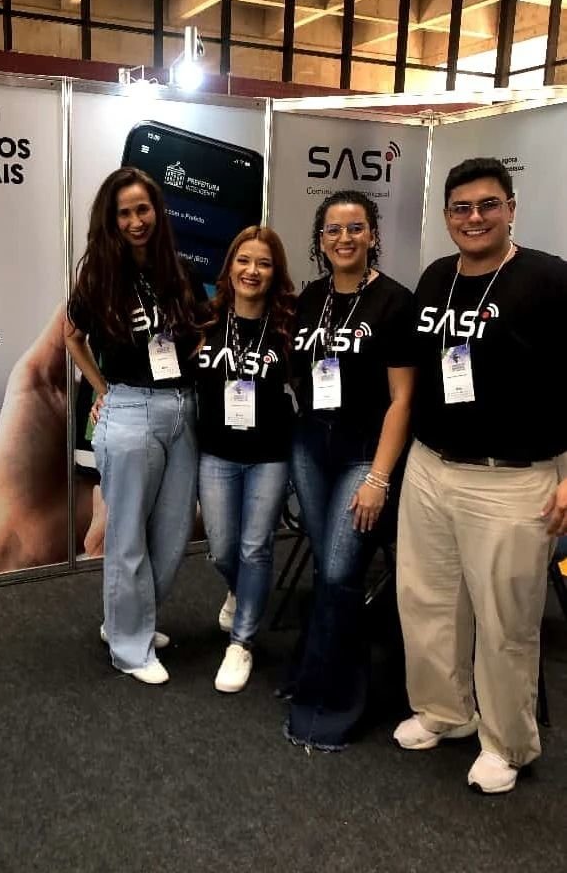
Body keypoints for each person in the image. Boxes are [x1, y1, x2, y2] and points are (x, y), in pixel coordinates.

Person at [393, 157, 567, 794]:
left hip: (512, 479)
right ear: (446, 216)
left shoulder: (549, 279)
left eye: (488, 205)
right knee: (426, 601)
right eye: (461, 208)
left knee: (506, 622)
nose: (475, 218)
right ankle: (445, 711)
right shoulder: (436, 277)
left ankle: (507, 743)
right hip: (431, 466)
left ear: (511, 208)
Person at [285, 189, 415, 751]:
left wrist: (379, 478)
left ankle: (332, 704)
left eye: (355, 228)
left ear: (372, 235)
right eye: (334, 230)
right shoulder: (311, 298)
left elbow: (403, 399)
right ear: (321, 240)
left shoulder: (394, 301)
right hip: (312, 447)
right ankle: (309, 672)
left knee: (340, 574)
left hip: (365, 452)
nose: (344, 238)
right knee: (327, 570)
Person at [64, 166, 205, 685]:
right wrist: (103, 390)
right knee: (126, 536)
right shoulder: (100, 276)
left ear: (157, 212)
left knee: (172, 533)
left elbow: (197, 330)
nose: (135, 221)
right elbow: (72, 337)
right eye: (124, 213)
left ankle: (130, 619)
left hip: (183, 409)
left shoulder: (179, 270)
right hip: (130, 410)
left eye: (143, 209)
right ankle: (128, 648)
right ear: (112, 219)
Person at [195, 226, 296, 692]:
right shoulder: (205, 321)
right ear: (230, 266)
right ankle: (241, 590)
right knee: (222, 548)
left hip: (269, 455)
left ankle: (242, 643)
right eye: (244, 260)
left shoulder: (287, 326)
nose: (252, 271)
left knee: (256, 548)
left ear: (275, 273)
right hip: (217, 453)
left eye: (264, 263)